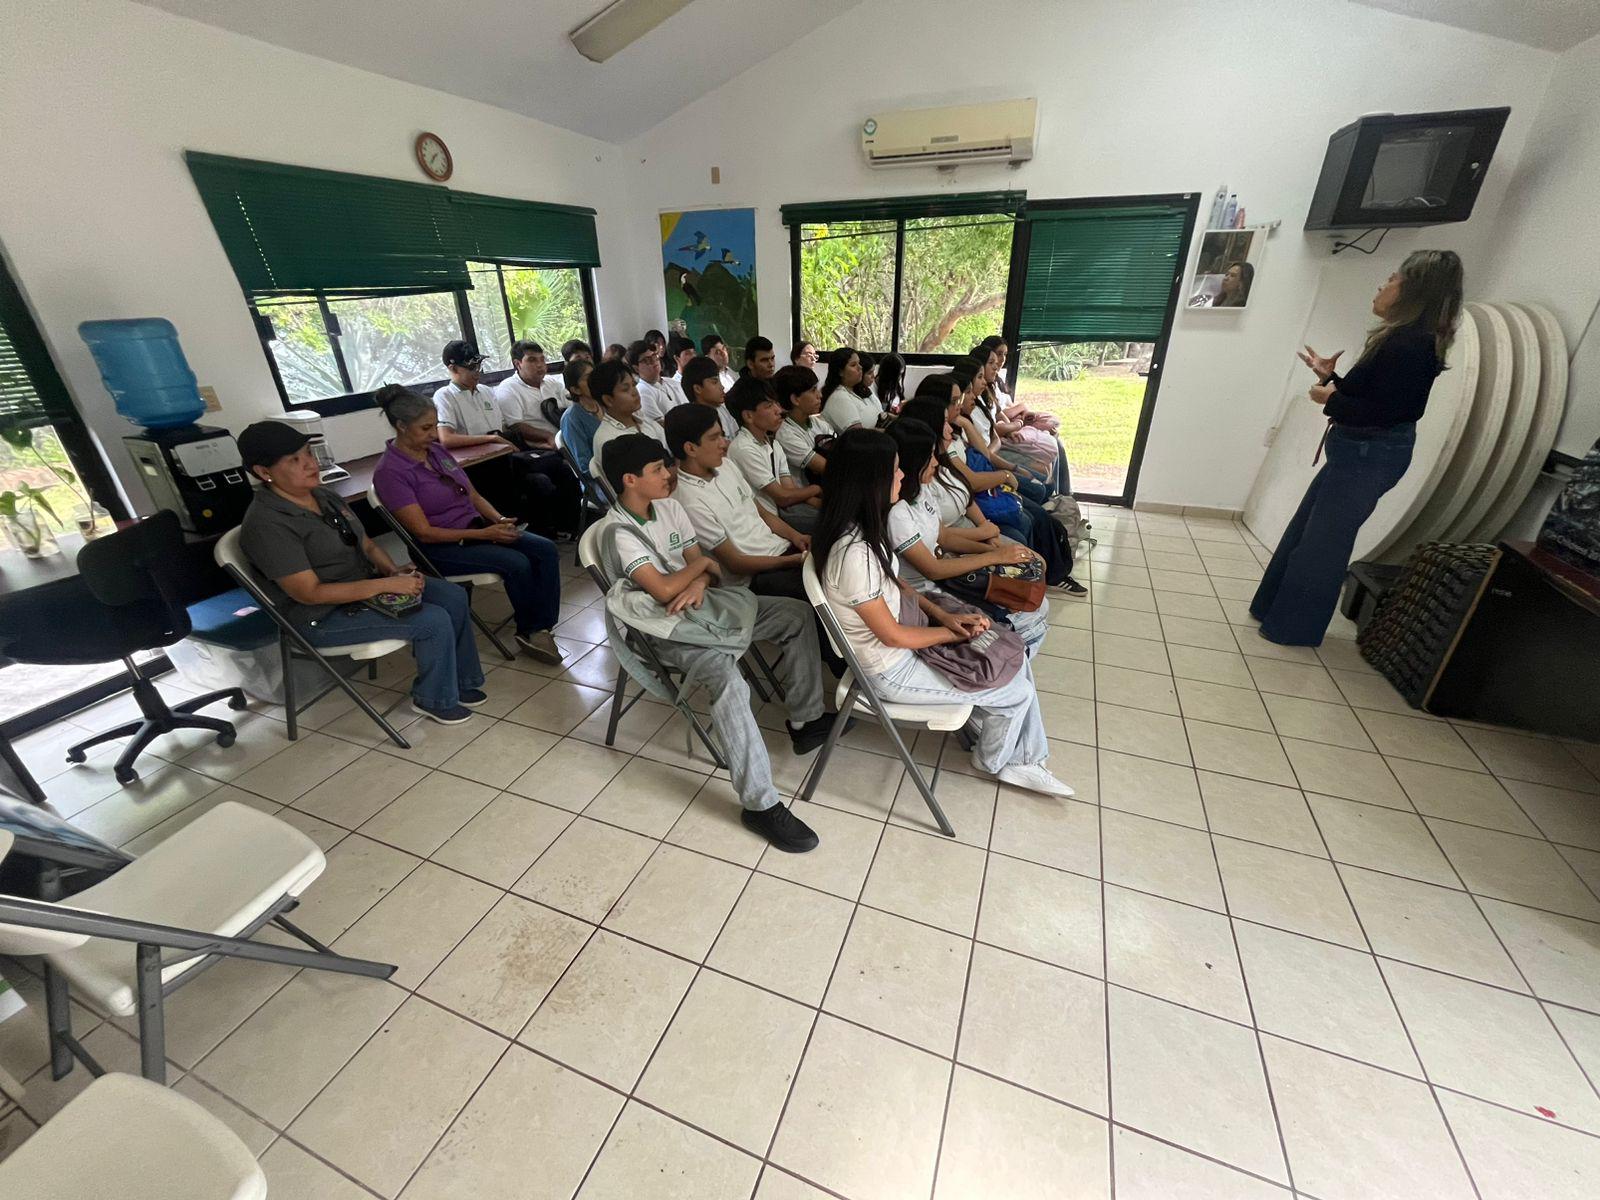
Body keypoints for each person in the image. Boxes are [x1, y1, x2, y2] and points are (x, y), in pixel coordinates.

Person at [600, 434, 834, 852]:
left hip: (705, 609)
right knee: (728, 681)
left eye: (666, 466)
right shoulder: (618, 533)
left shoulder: (669, 507)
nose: (669, 475)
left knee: (795, 615)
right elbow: (664, 593)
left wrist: (703, 574)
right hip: (667, 632)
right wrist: (704, 568)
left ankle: (806, 719)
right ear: (629, 480)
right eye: (657, 470)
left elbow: (701, 572)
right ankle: (761, 804)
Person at [812, 429, 1074, 796]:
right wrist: (951, 633)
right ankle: (998, 762)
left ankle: (1025, 755)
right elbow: (893, 637)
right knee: (1015, 691)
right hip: (890, 667)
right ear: (871, 481)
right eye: (896, 470)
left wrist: (943, 615)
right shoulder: (853, 552)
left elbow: (899, 584)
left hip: (908, 635)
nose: (902, 477)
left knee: (1013, 653)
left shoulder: (862, 531)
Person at [1253, 250, 1463, 646]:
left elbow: (1392, 412)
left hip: (1370, 456)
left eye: (1393, 278)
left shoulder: (1413, 344)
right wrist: (1332, 378)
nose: (1383, 285)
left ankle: (1293, 629)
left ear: (1413, 290)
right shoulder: (1401, 339)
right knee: (1306, 535)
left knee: (1322, 548)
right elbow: (1377, 396)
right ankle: (1272, 612)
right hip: (1356, 452)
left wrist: (1328, 399)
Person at [236, 420, 485, 725]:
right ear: (264, 472)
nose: (310, 464)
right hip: (320, 616)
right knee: (432, 620)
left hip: (364, 586)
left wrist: (393, 571)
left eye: (308, 454)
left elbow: (365, 544)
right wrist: (386, 585)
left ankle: (462, 680)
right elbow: (309, 593)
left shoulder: (324, 496)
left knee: (452, 595)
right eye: (295, 460)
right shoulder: (266, 524)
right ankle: (433, 699)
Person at [372, 387, 564, 664]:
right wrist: (484, 533)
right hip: (439, 547)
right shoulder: (390, 472)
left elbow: (472, 495)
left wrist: (498, 520)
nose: (432, 434)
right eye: (425, 428)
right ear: (401, 426)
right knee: (517, 563)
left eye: (434, 426)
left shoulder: (436, 452)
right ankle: (531, 630)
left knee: (545, 549)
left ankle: (542, 625)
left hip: (475, 530)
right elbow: (424, 533)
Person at [885, 419, 1050, 655]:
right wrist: (993, 557)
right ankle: (1011, 658)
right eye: (929, 456)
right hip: (928, 591)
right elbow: (934, 569)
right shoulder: (897, 513)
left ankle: (1013, 657)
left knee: (1033, 593)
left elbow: (944, 536)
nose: (935, 462)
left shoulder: (920, 490)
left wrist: (995, 553)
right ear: (911, 462)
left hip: (948, 575)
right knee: (1030, 611)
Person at [726, 376, 822, 532]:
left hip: (783, 514)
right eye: (769, 406)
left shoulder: (773, 443)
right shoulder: (743, 449)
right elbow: (783, 497)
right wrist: (817, 489)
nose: (779, 410)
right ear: (748, 416)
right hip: (765, 523)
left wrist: (820, 503)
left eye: (777, 403)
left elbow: (789, 490)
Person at [588, 359, 666, 480]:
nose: (635, 392)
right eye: (625, 389)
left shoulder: (644, 421)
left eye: (634, 385)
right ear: (608, 400)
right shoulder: (609, 441)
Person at [432, 341, 512, 451]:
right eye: (471, 368)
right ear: (453, 369)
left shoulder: (486, 391)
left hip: (501, 451)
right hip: (475, 459)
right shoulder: (445, 396)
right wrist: (490, 439)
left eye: (478, 366)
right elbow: (446, 439)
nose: (477, 372)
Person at [771, 365, 837, 482]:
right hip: (806, 496)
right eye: (813, 390)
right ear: (795, 399)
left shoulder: (818, 423)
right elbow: (827, 468)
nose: (820, 395)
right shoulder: (786, 435)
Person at [493, 340, 563, 449]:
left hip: (563, 438)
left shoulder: (552, 383)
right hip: (539, 447)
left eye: (542, 359)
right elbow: (516, 426)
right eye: (532, 360)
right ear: (518, 364)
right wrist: (549, 436)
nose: (540, 365)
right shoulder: (508, 388)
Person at [558, 359, 602, 476]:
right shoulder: (572, 419)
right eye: (588, 377)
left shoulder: (606, 404)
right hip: (602, 480)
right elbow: (585, 466)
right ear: (575, 389)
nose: (596, 380)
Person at [820, 346, 880, 431]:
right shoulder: (839, 397)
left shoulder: (862, 390)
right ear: (840, 372)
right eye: (853, 365)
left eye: (859, 363)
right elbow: (857, 434)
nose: (860, 367)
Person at [682, 354, 737, 439]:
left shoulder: (722, 410)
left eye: (719, 381)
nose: (722, 387)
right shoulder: (693, 422)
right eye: (714, 382)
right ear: (697, 388)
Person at [630, 340, 679, 424]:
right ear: (636, 368)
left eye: (654, 356)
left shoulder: (672, 382)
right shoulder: (642, 391)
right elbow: (662, 424)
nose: (654, 361)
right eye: (647, 360)